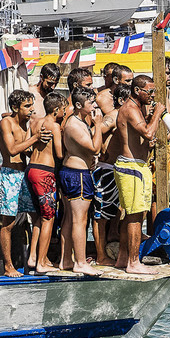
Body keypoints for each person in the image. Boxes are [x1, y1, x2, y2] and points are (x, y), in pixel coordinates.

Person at [0, 90, 50, 277]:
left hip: (24, 175)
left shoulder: (25, 124)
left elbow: (25, 152)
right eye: (27, 106)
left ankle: (34, 257)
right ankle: (8, 266)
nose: (31, 109)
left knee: (38, 217)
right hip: (9, 176)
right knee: (8, 224)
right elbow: (11, 150)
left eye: (31, 105)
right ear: (15, 108)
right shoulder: (6, 123)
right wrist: (34, 138)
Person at [114, 75, 164, 274]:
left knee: (134, 215)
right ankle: (133, 263)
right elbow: (148, 133)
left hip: (137, 167)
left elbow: (143, 138)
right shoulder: (130, 109)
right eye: (149, 91)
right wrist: (158, 114)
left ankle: (123, 258)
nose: (152, 95)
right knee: (135, 217)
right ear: (137, 91)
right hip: (131, 168)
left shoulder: (138, 108)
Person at [59, 88, 103, 275]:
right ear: (78, 105)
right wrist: (99, 125)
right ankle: (80, 262)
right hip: (77, 175)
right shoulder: (74, 125)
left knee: (70, 218)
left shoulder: (77, 121)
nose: (94, 106)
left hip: (73, 172)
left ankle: (66, 260)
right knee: (80, 220)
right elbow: (94, 147)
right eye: (90, 103)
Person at [26, 92, 66, 273]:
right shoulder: (54, 126)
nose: (64, 112)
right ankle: (41, 262)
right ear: (56, 109)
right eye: (63, 109)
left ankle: (35, 257)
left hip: (31, 169)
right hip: (45, 173)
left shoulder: (34, 122)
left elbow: (27, 146)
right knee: (49, 218)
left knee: (39, 217)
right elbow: (59, 154)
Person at [92, 84, 131, 266]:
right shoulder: (114, 116)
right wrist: (98, 150)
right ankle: (100, 256)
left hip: (115, 169)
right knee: (100, 216)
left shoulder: (123, 115)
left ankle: (111, 241)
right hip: (105, 169)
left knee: (112, 212)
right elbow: (95, 132)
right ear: (122, 100)